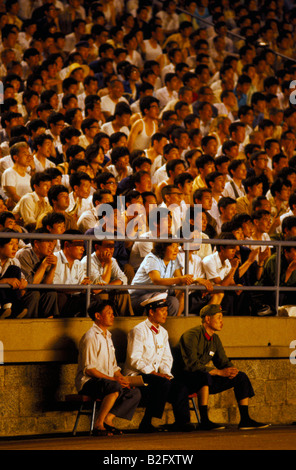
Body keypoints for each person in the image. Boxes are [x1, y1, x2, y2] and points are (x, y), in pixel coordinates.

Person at [173, 304, 270, 430]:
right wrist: (218, 372)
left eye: (222, 318)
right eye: (218, 317)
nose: (221, 321)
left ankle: (245, 420)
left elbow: (223, 361)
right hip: (186, 379)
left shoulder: (215, 339)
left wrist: (231, 370)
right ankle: (204, 421)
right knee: (204, 376)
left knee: (241, 377)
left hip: (204, 377)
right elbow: (191, 365)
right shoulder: (191, 335)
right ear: (207, 319)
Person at [123, 293, 194, 433]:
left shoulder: (163, 332)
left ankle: (182, 421)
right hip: (137, 375)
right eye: (162, 311)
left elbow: (167, 358)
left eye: (166, 311)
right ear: (151, 311)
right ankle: (147, 422)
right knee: (162, 383)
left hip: (156, 377)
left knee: (179, 386)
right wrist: (154, 373)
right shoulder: (138, 331)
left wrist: (165, 373)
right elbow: (134, 359)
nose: (165, 314)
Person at [75, 299, 141, 436]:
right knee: (114, 386)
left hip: (107, 381)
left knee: (134, 393)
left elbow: (114, 368)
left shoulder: (108, 336)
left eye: (112, 313)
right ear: (98, 316)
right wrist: (114, 380)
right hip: (89, 382)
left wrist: (123, 380)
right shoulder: (90, 337)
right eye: (109, 313)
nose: (113, 316)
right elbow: (89, 370)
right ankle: (98, 424)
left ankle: (108, 419)